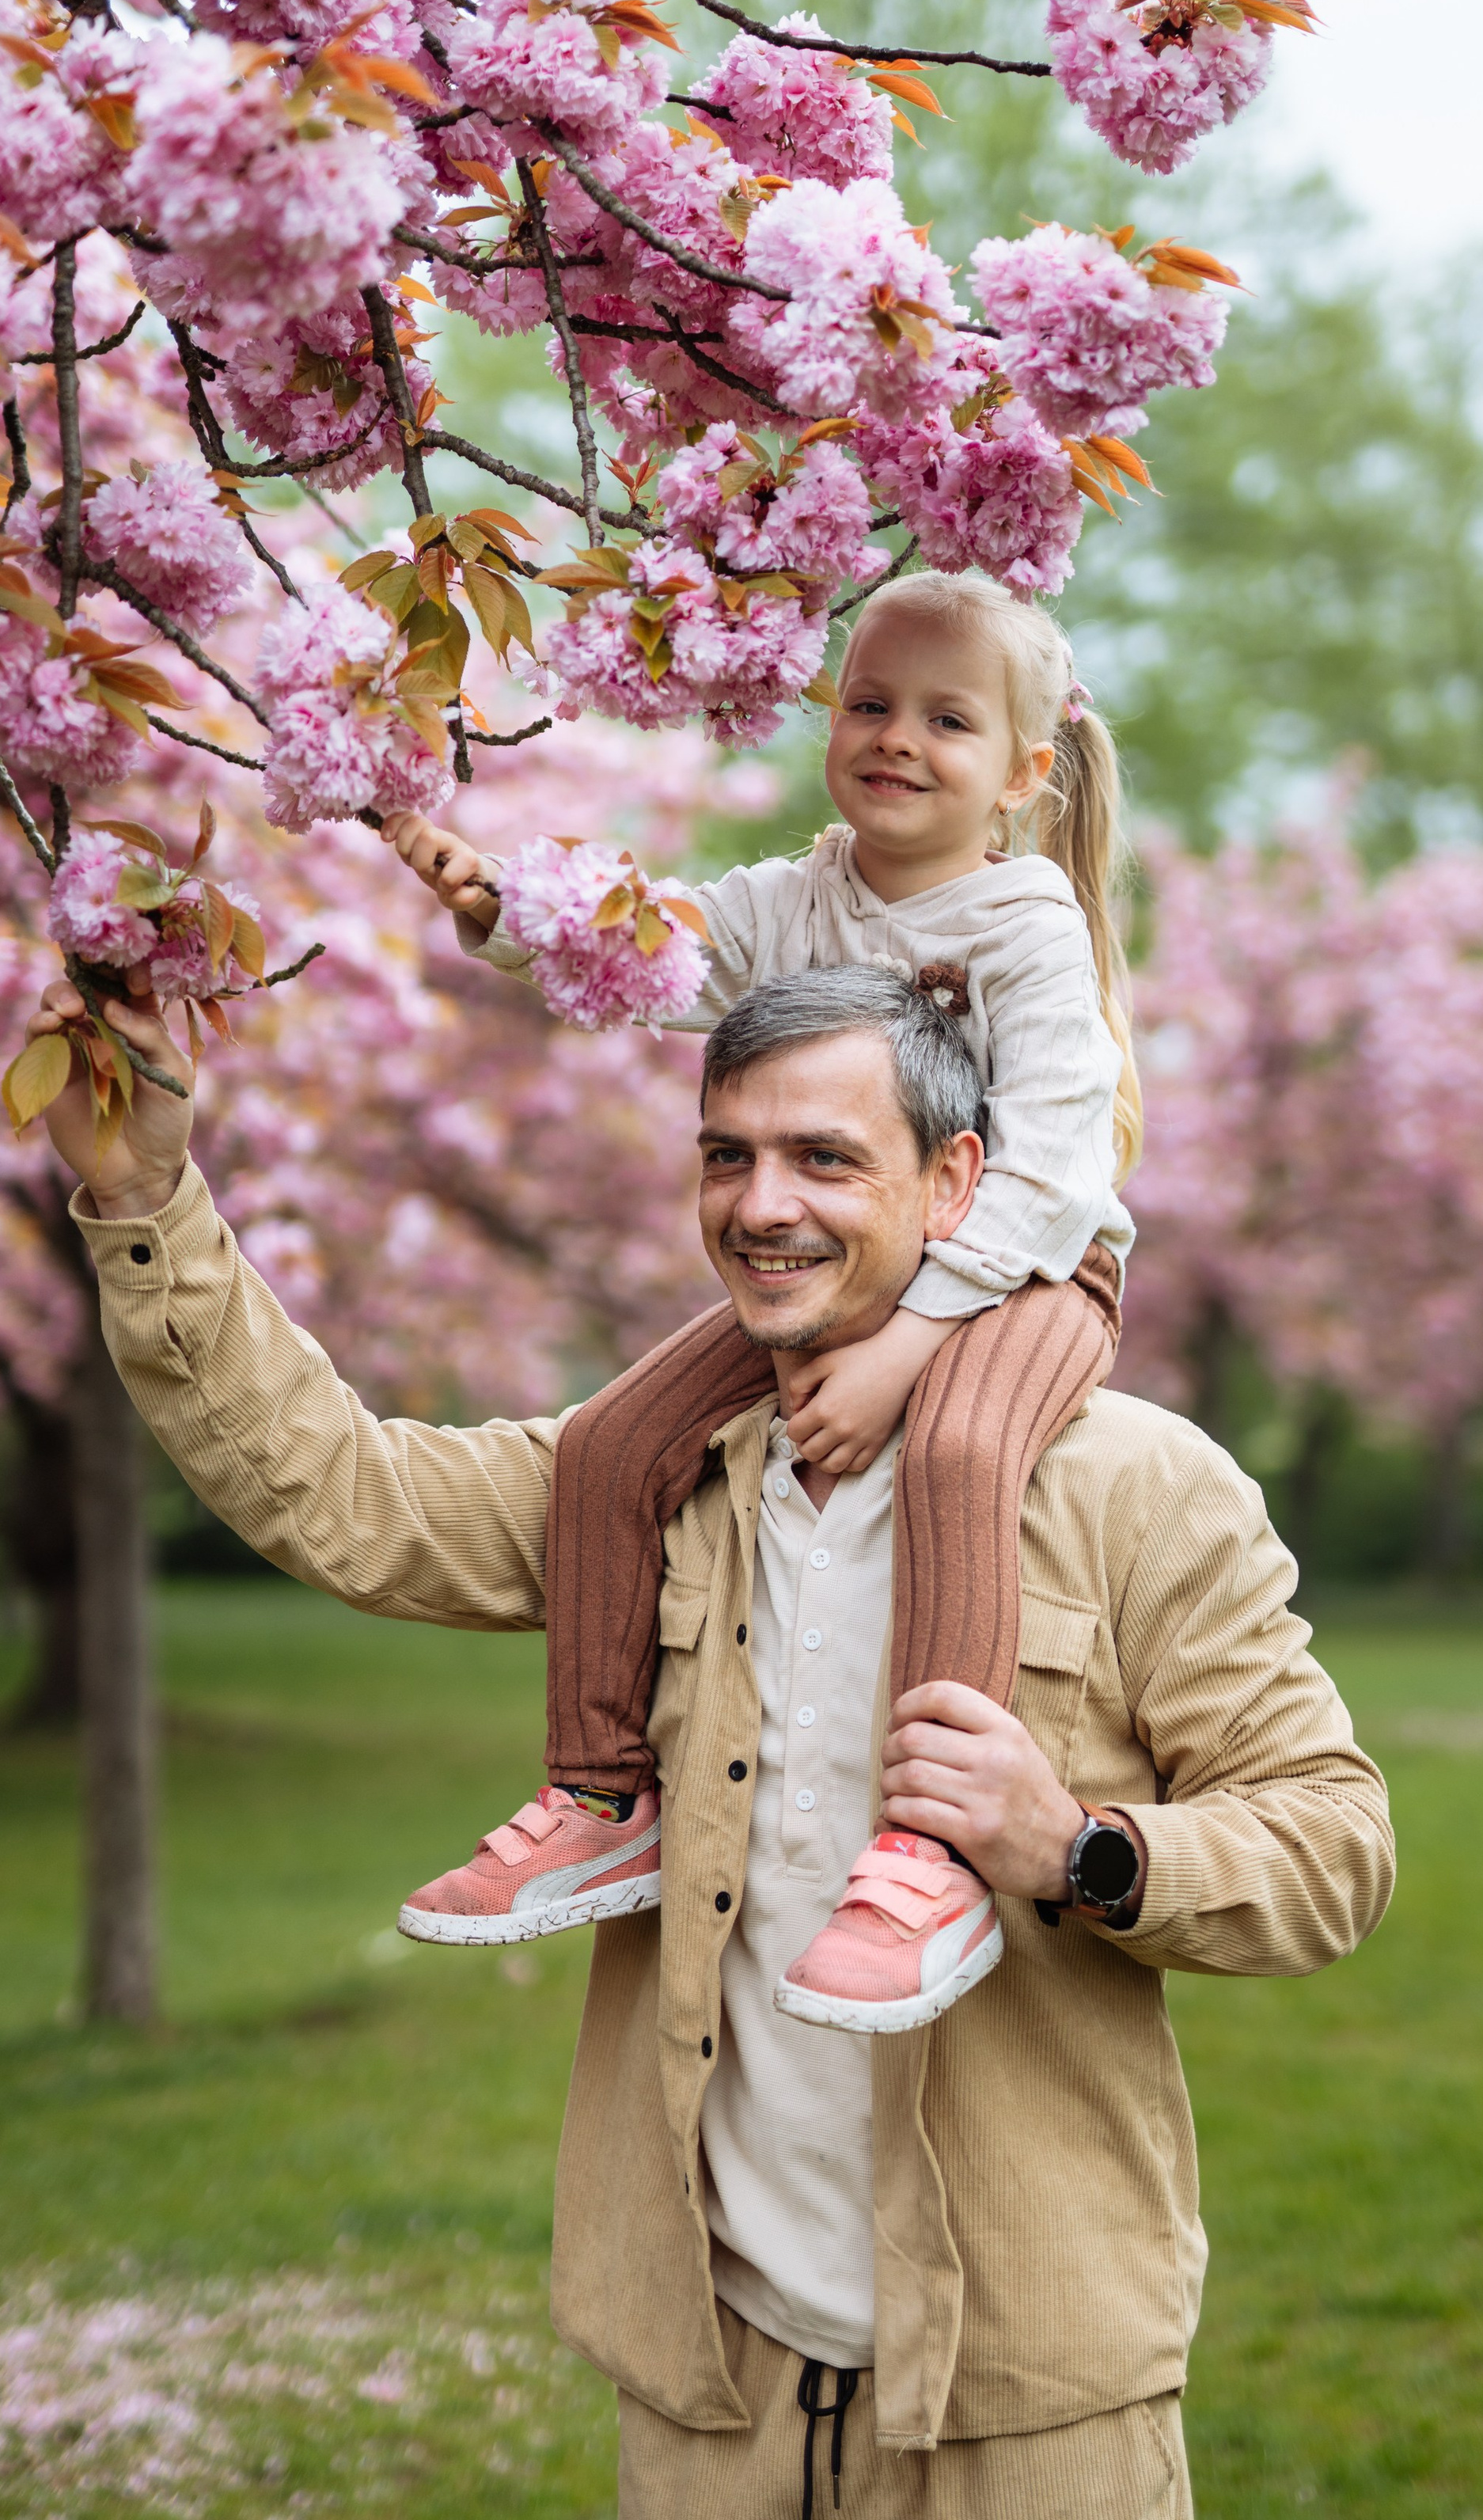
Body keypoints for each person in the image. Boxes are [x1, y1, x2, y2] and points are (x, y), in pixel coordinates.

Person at [26, 951, 1394, 2519]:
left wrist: (1073, 1846)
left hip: (1020, 2404)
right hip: (709, 2386)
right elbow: (341, 1497)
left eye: (824, 1158)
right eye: (726, 1155)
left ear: (954, 1182)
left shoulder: (1138, 1490)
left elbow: (1331, 1844)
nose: (762, 1205)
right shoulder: (646, 1483)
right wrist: (147, 1202)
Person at [381, 567, 1141, 2033]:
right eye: (868, 701)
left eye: (946, 718)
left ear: (1022, 774)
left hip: (1031, 1272)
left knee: (962, 1454)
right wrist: (505, 910)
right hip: (853, 1282)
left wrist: (918, 1346)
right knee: (612, 1447)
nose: (896, 737)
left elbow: (1051, 1169)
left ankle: (931, 1849)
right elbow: (651, 952)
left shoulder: (1025, 927)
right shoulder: (796, 900)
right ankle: (604, 1792)